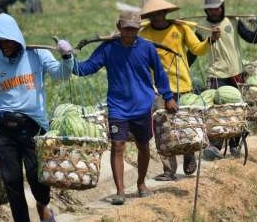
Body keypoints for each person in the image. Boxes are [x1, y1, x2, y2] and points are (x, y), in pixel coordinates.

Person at [0, 13, 74, 222]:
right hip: (5, 130)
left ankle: (42, 204)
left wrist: (67, 56)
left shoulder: (37, 55)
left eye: (8, 40)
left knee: (36, 176)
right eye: (0, 42)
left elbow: (61, 75)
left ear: (17, 37)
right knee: (11, 180)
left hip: (32, 127)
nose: (5, 45)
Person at [73, 11, 178, 205]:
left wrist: (168, 97)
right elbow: (86, 68)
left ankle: (140, 183)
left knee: (144, 146)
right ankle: (120, 191)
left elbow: (161, 74)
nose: (129, 32)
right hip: (118, 106)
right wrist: (67, 60)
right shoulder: (108, 49)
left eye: (133, 29)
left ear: (138, 29)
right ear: (119, 27)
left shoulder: (147, 48)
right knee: (118, 145)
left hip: (142, 105)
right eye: (126, 28)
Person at [138, 0, 220, 181]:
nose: (158, 17)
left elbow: (197, 49)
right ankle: (169, 169)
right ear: (149, 16)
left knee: (185, 125)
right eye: (153, 14)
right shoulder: (145, 34)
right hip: (158, 88)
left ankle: (189, 155)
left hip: (182, 84)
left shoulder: (180, 28)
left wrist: (211, 40)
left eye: (161, 13)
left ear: (166, 13)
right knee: (163, 129)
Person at [191, 0, 257, 160]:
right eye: (210, 9)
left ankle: (235, 143)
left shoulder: (233, 21)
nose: (214, 11)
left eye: (217, 8)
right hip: (216, 74)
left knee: (237, 110)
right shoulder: (202, 27)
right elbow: (193, 51)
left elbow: (252, 38)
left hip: (236, 73)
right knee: (217, 111)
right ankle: (215, 145)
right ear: (206, 10)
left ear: (222, 7)